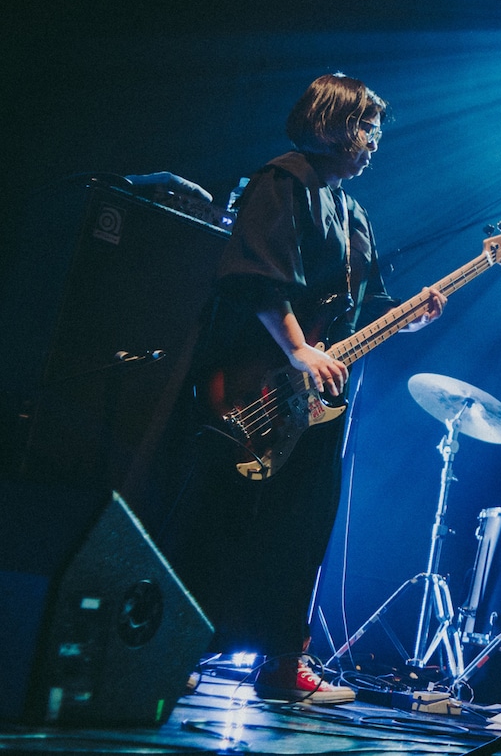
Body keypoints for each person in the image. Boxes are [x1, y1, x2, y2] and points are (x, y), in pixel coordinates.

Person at [167, 73, 445, 703]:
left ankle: (281, 661)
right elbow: (257, 275)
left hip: (315, 401)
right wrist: (297, 348)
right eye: (368, 128)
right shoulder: (282, 181)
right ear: (339, 125)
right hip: (254, 385)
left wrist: (409, 313)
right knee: (222, 516)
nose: (374, 142)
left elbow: (359, 306)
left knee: (302, 524)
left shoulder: (352, 211)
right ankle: (178, 644)